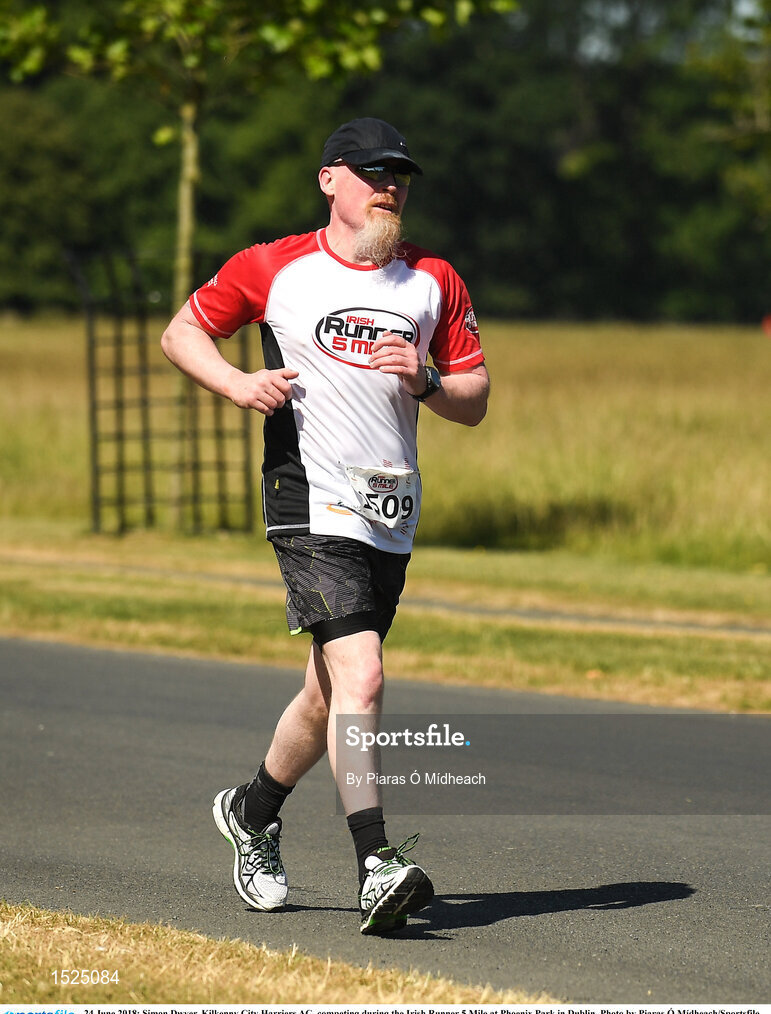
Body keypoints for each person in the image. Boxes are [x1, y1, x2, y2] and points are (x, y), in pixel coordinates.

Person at [161, 116, 489, 935]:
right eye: (374, 171)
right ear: (329, 179)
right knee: (364, 673)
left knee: (328, 689)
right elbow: (182, 332)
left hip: (390, 510)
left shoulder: (433, 283)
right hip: (307, 497)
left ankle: (253, 811)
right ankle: (377, 862)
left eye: (400, 174)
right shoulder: (273, 267)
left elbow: (476, 399)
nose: (390, 186)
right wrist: (237, 386)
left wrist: (425, 381)